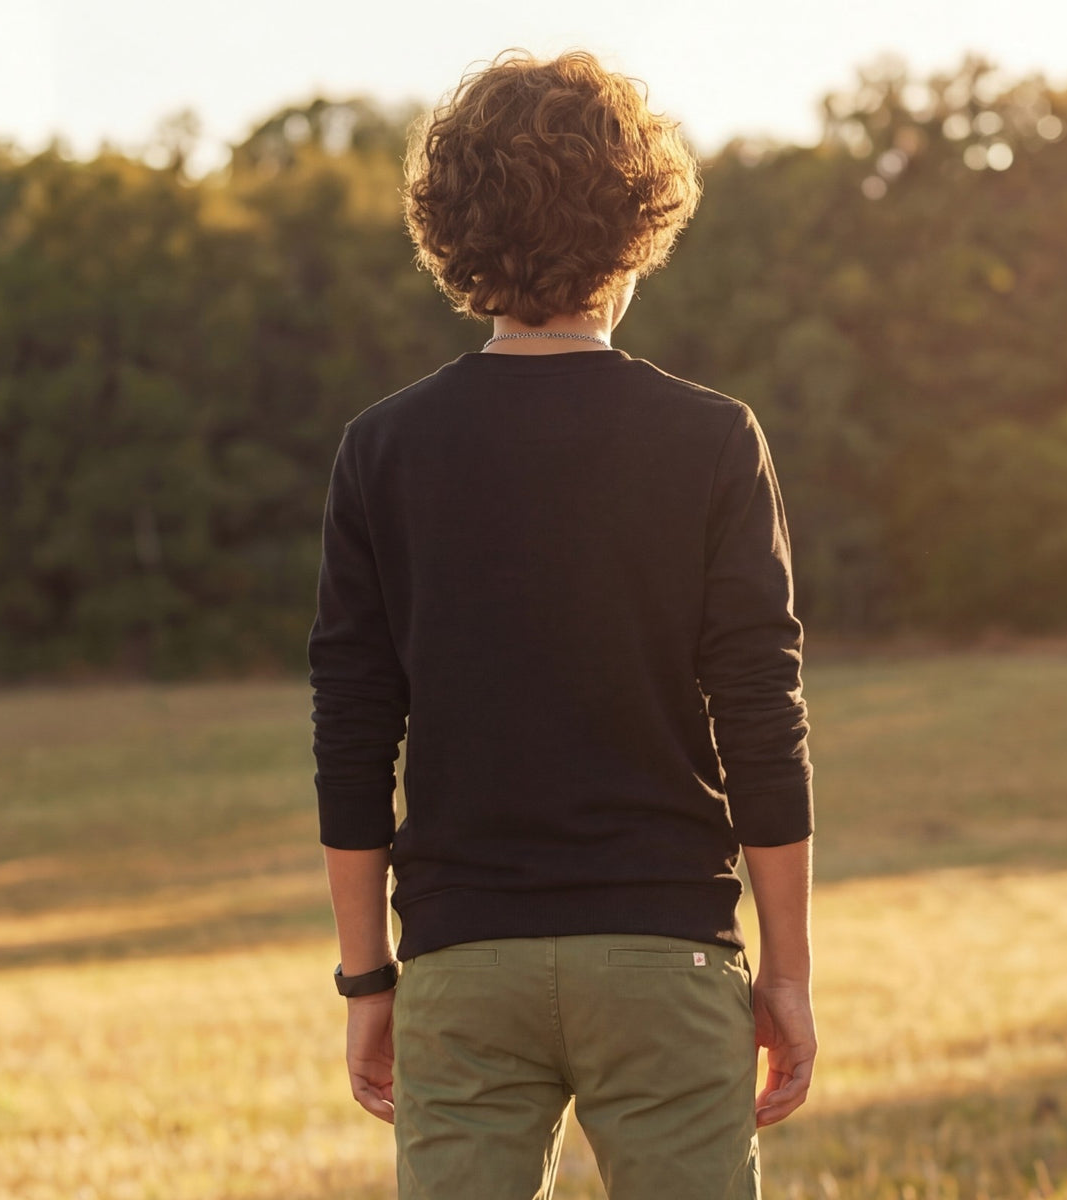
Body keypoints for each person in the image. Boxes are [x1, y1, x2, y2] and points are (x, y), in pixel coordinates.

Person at [307, 48, 817, 1200]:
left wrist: (366, 981)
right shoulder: (712, 439)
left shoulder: (381, 450)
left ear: (453, 231)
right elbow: (762, 724)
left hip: (459, 961)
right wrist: (784, 976)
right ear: (635, 228)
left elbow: (350, 734)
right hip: (666, 954)